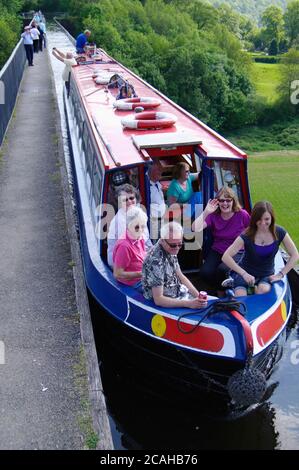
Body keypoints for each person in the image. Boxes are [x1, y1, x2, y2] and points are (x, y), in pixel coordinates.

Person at [222, 201, 299, 297]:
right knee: (241, 296)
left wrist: (281, 274)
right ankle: (235, 283)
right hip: (246, 273)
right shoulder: (247, 234)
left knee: (263, 290)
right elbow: (226, 256)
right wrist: (244, 274)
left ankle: (253, 289)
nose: (263, 223)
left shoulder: (279, 232)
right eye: (259, 219)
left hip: (266, 274)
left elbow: (295, 255)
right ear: (254, 219)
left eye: (267, 219)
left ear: (272, 218)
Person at [192, 187, 250, 289]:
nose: (225, 203)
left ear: (233, 201)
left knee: (222, 270)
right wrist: (206, 212)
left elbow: (252, 231)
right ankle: (221, 290)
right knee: (205, 273)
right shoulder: (213, 215)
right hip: (218, 250)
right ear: (217, 202)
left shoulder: (242, 214)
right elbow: (194, 228)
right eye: (222, 200)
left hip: (237, 251)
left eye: (228, 200)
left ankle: (223, 292)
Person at [142, 222, 209, 309]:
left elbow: (180, 276)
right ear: (162, 240)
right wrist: (189, 303)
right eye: (173, 245)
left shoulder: (171, 246)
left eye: (180, 244)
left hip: (176, 292)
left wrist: (198, 297)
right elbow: (159, 299)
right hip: (162, 303)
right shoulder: (155, 261)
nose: (177, 248)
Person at [107, 184, 151, 267]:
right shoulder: (119, 221)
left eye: (131, 198)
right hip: (121, 260)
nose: (129, 202)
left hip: (139, 251)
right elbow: (126, 249)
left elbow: (147, 239)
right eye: (125, 200)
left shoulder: (138, 212)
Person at [113, 207, 147, 287]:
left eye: (143, 226)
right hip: (134, 282)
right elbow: (118, 274)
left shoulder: (139, 237)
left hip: (143, 276)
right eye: (137, 227)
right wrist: (141, 274)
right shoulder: (124, 246)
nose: (140, 230)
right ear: (128, 225)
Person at [148, 161, 166, 241]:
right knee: (154, 242)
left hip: (162, 218)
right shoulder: (147, 187)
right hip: (153, 221)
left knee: (163, 240)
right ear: (151, 173)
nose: (161, 172)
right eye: (158, 170)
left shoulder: (158, 184)